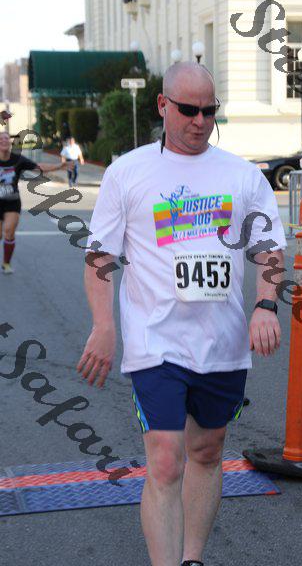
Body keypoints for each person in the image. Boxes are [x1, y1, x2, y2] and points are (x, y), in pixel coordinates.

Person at [77, 62, 286, 566]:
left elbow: (269, 250)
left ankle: (193, 558)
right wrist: (104, 326)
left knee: (207, 452)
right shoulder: (129, 172)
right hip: (155, 342)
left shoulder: (242, 176)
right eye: (189, 110)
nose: (200, 121)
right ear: (163, 105)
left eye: (209, 111)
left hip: (222, 344)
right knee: (167, 461)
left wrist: (265, 304)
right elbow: (100, 256)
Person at [0, 130, 68, 274]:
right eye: (1, 139)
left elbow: (38, 167)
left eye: (6, 138)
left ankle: (6, 263)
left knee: (9, 232)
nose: (4, 140)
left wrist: (58, 166)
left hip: (12, 202)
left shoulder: (17, 159)